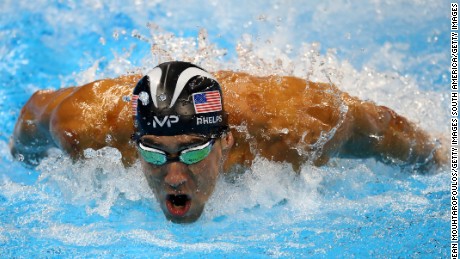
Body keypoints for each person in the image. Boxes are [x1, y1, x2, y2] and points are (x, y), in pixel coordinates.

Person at [10, 61, 446, 223]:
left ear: (227, 143)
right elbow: (31, 114)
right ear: (133, 140)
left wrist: (439, 158)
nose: (174, 175)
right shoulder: (81, 126)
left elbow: (385, 127)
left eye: (195, 150)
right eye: (154, 152)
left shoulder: (296, 132)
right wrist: (23, 166)